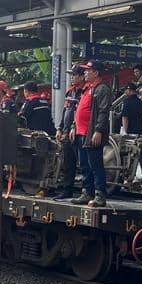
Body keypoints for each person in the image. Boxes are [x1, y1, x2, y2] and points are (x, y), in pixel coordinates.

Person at [71, 60, 112, 207]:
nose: (85, 73)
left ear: (96, 72)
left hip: (91, 133)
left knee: (95, 164)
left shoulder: (102, 89)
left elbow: (103, 111)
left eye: (88, 70)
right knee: (84, 165)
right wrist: (73, 126)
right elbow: (79, 110)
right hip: (81, 133)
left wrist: (98, 130)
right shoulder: (88, 88)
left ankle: (100, 194)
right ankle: (87, 191)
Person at [53, 67, 85, 199]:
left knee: (83, 163)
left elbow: (81, 113)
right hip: (67, 132)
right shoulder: (70, 92)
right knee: (68, 163)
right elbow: (65, 112)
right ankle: (67, 190)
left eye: (74, 75)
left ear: (82, 77)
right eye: (71, 75)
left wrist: (74, 126)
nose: (72, 77)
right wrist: (59, 128)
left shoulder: (85, 92)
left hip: (79, 132)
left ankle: (86, 192)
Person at [119, 83, 142, 185]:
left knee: (128, 155)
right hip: (140, 131)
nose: (125, 92)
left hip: (131, 132)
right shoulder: (141, 103)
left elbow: (125, 117)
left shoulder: (126, 102)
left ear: (130, 90)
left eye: (126, 90)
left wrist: (125, 131)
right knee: (141, 155)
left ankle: (128, 177)